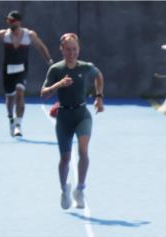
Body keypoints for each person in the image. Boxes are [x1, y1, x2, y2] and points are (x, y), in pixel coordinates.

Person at [41, 33, 104, 210]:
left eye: (75, 49)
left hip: (82, 114)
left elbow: (99, 75)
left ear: (79, 49)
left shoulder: (85, 67)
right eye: (68, 49)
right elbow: (43, 94)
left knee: (83, 150)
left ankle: (80, 189)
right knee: (65, 158)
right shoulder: (56, 69)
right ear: (62, 50)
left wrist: (99, 97)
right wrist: (58, 85)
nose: (72, 53)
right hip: (64, 117)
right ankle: (64, 189)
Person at [0, 10, 52, 137]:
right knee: (10, 98)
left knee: (20, 92)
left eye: (12, 20)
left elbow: (41, 47)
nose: (9, 22)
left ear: (18, 21)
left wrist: (49, 61)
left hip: (22, 70)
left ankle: (18, 125)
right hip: (8, 71)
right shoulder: (4, 34)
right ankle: (11, 118)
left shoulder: (29, 35)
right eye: (8, 20)